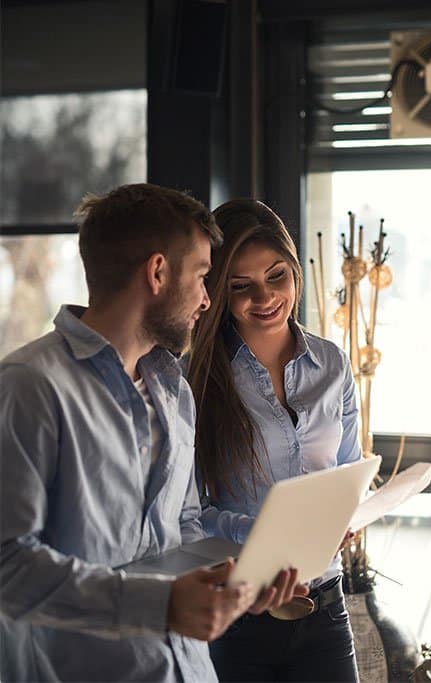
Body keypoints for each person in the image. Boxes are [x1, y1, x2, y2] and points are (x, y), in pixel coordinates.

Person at [0, 184, 297, 683]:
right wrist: (160, 603)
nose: (208, 300)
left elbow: (184, 529)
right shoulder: (29, 386)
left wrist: (242, 577)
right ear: (157, 272)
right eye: (203, 276)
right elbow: (8, 565)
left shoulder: (172, 388)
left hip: (187, 670)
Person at [188, 198, 362, 682]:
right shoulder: (196, 380)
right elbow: (189, 515)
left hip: (325, 605)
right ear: (219, 291)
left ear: (294, 271)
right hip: (240, 614)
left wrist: (344, 518)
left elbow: (350, 474)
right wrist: (271, 534)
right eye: (240, 286)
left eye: (276, 276)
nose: (263, 297)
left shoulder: (333, 364)